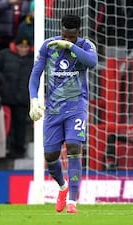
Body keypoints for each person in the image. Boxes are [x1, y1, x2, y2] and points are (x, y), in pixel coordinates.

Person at [28, 15, 98, 213]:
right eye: (65, 36)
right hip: (53, 110)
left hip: (76, 107)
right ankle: (62, 187)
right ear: (61, 29)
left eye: (72, 37)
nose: (68, 40)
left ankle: (73, 202)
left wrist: (71, 47)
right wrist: (33, 98)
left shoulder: (85, 46)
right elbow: (35, 75)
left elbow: (92, 63)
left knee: (75, 147)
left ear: (78, 33)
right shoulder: (48, 46)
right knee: (50, 155)